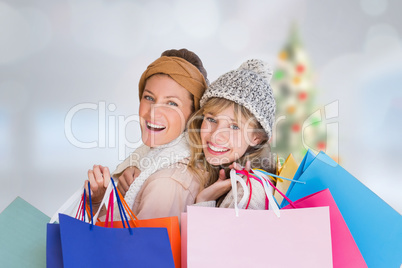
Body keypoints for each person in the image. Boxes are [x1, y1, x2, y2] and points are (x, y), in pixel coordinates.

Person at [85, 49, 209, 221]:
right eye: (149, 98)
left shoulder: (167, 182)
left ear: (193, 114)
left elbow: (132, 247)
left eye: (172, 103)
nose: (153, 113)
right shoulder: (146, 164)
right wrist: (99, 201)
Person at [187, 59, 277, 209]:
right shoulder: (225, 170)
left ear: (257, 137)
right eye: (211, 119)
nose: (216, 135)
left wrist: (204, 200)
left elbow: (209, 233)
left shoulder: (248, 193)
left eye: (234, 127)